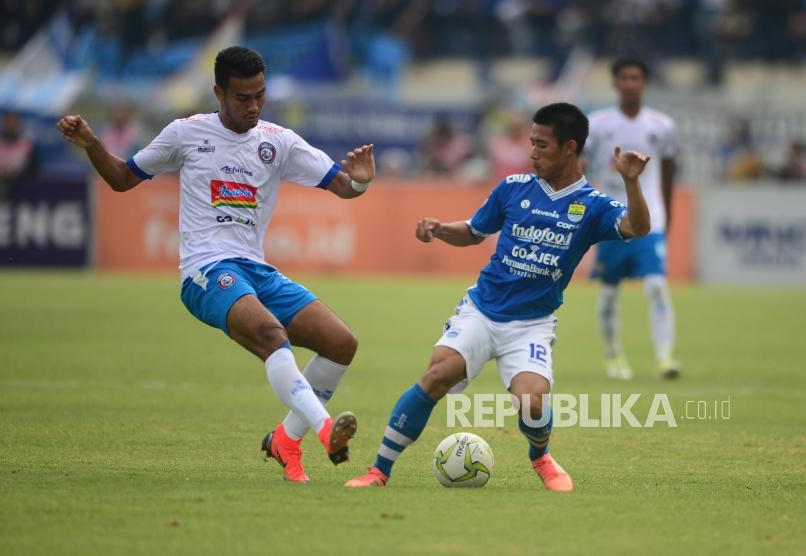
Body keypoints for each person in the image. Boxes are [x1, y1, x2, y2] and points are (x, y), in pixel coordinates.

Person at [56, 46, 376, 484]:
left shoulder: (277, 141)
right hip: (205, 270)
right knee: (271, 336)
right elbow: (121, 178)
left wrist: (360, 179)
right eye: (243, 97)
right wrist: (92, 143)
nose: (254, 106)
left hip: (257, 270)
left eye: (260, 95)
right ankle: (324, 429)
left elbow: (344, 187)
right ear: (218, 93)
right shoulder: (185, 134)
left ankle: (285, 440)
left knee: (341, 343)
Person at [345, 102, 652, 491]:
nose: (532, 152)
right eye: (531, 143)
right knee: (438, 372)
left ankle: (540, 456)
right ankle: (379, 470)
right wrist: (441, 229)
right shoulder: (513, 188)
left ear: (570, 148)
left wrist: (631, 181)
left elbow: (637, 227)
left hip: (531, 324)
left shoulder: (592, 206)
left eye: (542, 145)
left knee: (533, 403)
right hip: (482, 309)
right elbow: (474, 231)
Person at [585, 58, 680, 380]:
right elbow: (581, 166)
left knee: (656, 285)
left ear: (644, 82)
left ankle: (665, 358)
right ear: (615, 83)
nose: (630, 83)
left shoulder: (662, 125)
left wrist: (668, 215)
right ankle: (613, 356)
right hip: (610, 218)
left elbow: (668, 172)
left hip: (651, 218)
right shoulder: (597, 124)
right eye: (624, 77)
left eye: (636, 77)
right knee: (610, 290)